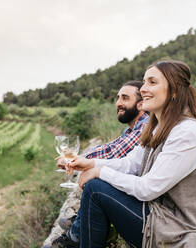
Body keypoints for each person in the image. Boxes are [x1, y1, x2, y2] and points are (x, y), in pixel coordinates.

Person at [69, 60, 196, 247]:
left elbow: (147, 189)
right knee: (97, 186)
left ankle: (75, 239)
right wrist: (92, 164)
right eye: (144, 82)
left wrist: (100, 172)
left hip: (181, 230)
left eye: (152, 82)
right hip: (163, 216)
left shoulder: (187, 132)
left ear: (174, 90)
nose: (143, 88)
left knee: (96, 189)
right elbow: (131, 164)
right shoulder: (159, 127)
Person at [51, 81, 150, 248]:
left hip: (142, 205)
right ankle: (79, 228)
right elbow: (109, 147)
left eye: (125, 98)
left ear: (140, 104)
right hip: (136, 194)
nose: (118, 103)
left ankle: (76, 234)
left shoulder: (145, 126)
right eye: (118, 98)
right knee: (95, 177)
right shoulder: (131, 129)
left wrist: (76, 160)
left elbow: (116, 152)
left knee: (95, 183)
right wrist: (78, 158)